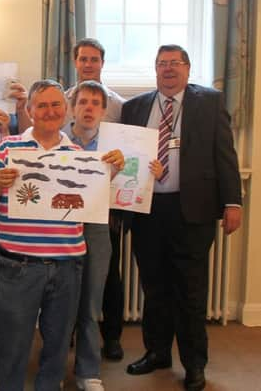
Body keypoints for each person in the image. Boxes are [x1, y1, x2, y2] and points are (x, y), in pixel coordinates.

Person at [0, 79, 124, 391]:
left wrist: (112, 172)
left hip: (68, 264)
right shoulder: (6, 148)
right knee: (13, 344)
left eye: (56, 105)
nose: (49, 111)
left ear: (66, 110)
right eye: (41, 105)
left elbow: (91, 206)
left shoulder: (79, 154)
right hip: (19, 265)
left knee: (57, 344)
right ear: (28, 111)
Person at [122, 45, 242, 391]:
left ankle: (194, 364)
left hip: (193, 210)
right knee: (154, 287)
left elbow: (226, 155)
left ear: (187, 69)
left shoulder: (209, 102)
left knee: (190, 292)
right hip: (147, 211)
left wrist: (232, 202)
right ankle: (157, 352)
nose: (168, 69)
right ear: (155, 69)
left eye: (175, 63)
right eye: (162, 64)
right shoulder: (135, 107)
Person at [62, 81, 145, 391]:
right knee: (59, 304)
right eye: (83, 102)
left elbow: (133, 188)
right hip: (60, 229)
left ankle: (87, 372)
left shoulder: (115, 148)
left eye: (96, 104)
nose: (89, 108)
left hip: (97, 228)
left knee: (90, 304)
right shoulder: (57, 141)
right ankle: (55, 367)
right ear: (73, 107)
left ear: (103, 110)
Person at [66, 39, 127, 361]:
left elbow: (133, 160)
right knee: (66, 284)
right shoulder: (61, 122)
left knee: (105, 279)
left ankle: (110, 338)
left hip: (104, 217)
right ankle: (69, 339)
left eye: (94, 59)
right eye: (83, 58)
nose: (88, 108)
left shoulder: (119, 105)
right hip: (63, 221)